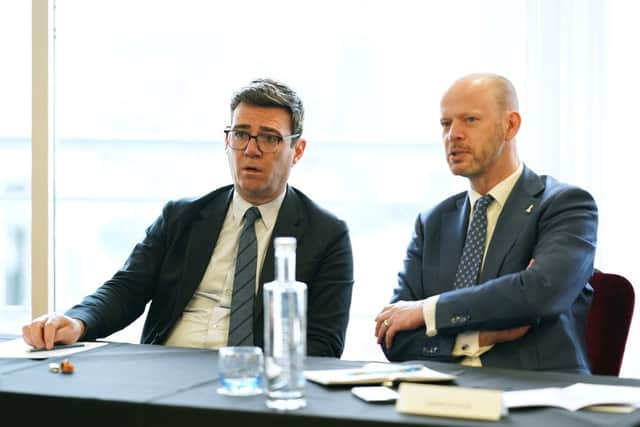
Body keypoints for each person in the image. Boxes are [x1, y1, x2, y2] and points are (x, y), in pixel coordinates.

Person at [23, 78, 354, 358]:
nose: (251, 150)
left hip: (254, 382)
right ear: (227, 141)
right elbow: (126, 288)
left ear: (297, 150)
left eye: (268, 138)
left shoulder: (326, 235)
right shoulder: (182, 217)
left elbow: (324, 344)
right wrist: (77, 321)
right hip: (167, 369)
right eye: (240, 134)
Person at [374, 73, 597, 373]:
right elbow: (394, 335)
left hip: (534, 393)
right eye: (445, 124)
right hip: (440, 396)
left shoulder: (565, 205)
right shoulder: (433, 222)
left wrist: (427, 311)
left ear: (510, 125)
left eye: (470, 120)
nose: (453, 134)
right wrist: (474, 339)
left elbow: (539, 292)